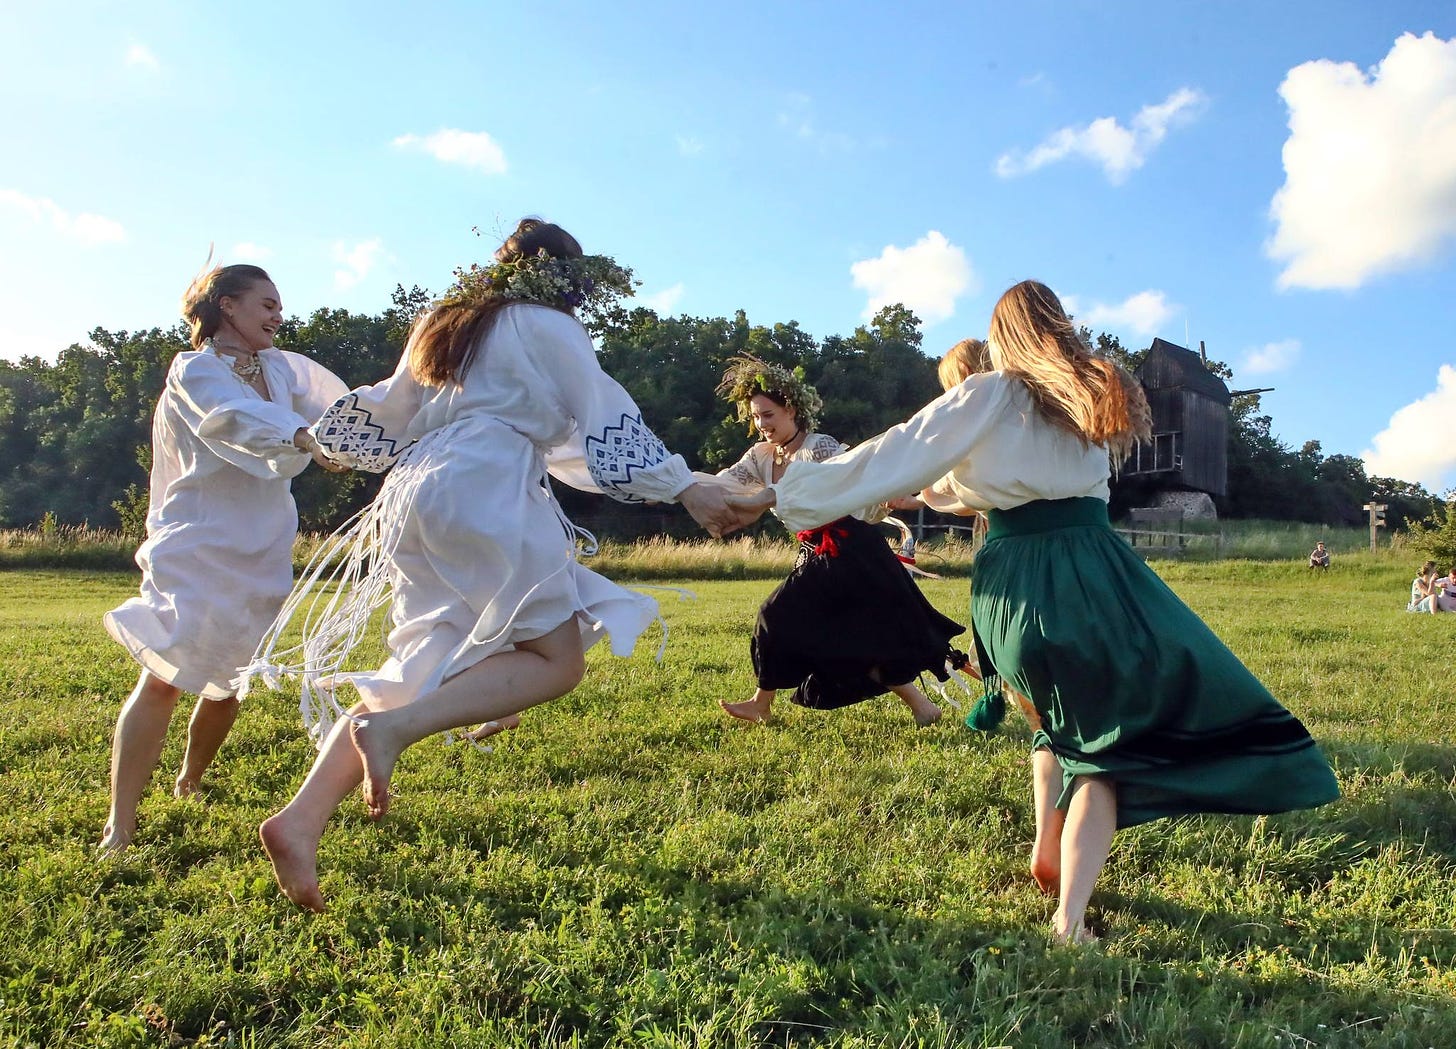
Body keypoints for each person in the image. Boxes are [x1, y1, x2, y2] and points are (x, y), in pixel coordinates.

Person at [724, 280, 1340, 945]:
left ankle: (1048, 839)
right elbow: (1074, 488)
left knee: (1053, 721)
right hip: (1094, 573)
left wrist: (801, 491)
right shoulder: (1093, 396)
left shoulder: (990, 394)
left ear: (1004, 336)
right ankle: (1069, 920)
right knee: (1102, 746)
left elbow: (905, 449)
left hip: (1013, 585)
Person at [244, 219, 738, 911]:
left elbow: (397, 413)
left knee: (419, 666)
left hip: (415, 493)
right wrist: (683, 485)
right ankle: (393, 730)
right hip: (486, 484)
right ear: (567, 280)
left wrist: (323, 439)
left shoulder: (444, 325)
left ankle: (298, 820)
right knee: (557, 661)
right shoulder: (549, 326)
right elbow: (601, 418)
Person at [99, 261, 348, 853]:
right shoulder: (195, 369)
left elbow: (341, 408)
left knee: (230, 680)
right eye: (266, 303)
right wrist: (303, 437)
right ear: (227, 306)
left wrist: (348, 440)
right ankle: (120, 823)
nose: (277, 315)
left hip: (262, 542)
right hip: (195, 539)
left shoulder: (284, 369)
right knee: (163, 676)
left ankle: (189, 781)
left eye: (279, 306)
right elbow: (230, 419)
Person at [706, 355, 965, 727]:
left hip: (852, 549)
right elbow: (725, 481)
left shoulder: (820, 447)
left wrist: (889, 495)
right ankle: (923, 708)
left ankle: (761, 703)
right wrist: (680, 487)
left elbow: (859, 473)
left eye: (768, 415)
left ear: (791, 410)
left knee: (774, 614)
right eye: (756, 417)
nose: (761, 424)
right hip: (816, 554)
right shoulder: (761, 457)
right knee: (857, 637)